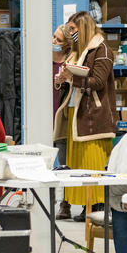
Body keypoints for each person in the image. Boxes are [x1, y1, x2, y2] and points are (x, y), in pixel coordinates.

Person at [54, 11, 116, 222]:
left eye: (73, 29)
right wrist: (63, 79)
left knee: (93, 163)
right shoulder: (76, 51)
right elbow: (71, 82)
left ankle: (95, 204)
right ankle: (83, 204)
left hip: (93, 116)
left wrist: (74, 78)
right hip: (75, 114)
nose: (70, 33)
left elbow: (98, 81)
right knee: (77, 164)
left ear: (84, 28)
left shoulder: (102, 50)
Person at [52, 24, 73, 220]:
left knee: (65, 165)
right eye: (54, 38)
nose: (54, 42)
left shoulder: (70, 63)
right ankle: (45, 201)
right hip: (44, 117)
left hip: (62, 120)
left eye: (59, 40)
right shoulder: (42, 59)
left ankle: (65, 204)